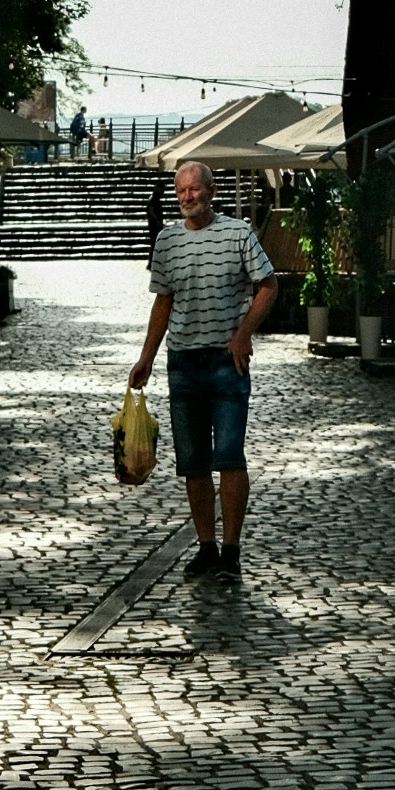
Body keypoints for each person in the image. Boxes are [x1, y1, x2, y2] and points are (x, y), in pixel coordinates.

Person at [131, 157, 278, 580]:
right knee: (193, 462)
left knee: (229, 456)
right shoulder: (167, 241)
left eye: (194, 188)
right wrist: (146, 357)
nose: (187, 196)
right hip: (183, 363)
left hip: (226, 361)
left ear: (211, 192)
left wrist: (244, 332)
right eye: (181, 190)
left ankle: (231, 552)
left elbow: (268, 285)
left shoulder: (238, 233)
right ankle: (206, 547)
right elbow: (163, 301)